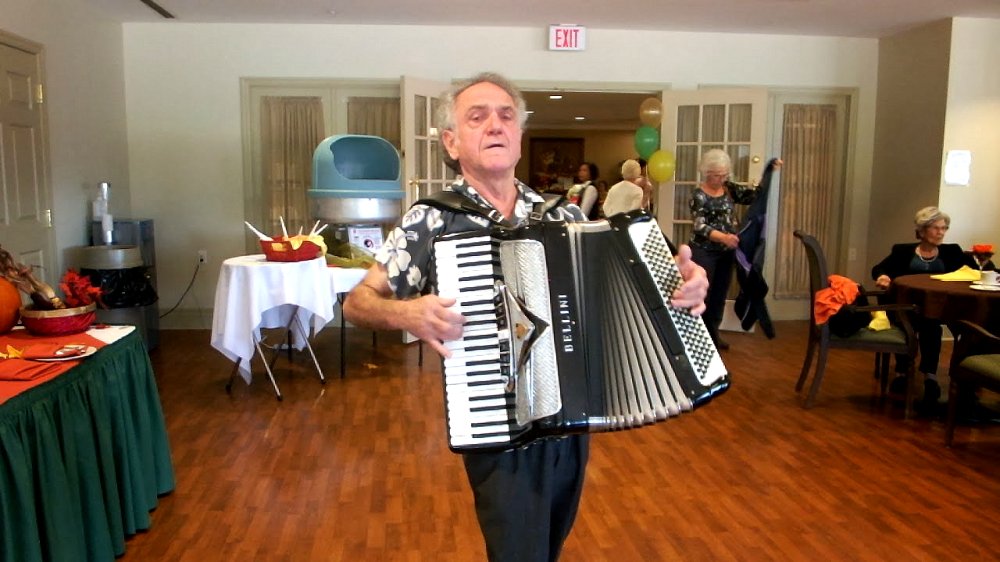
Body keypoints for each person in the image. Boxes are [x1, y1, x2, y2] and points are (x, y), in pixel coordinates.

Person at [342, 72, 709, 562]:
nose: (495, 125)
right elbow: (357, 303)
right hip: (497, 423)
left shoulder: (567, 217)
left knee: (550, 545)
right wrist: (408, 312)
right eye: (477, 117)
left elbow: (632, 298)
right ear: (451, 142)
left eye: (506, 115)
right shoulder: (432, 219)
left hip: (572, 419)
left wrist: (682, 287)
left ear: (519, 136)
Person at [871, 206, 977, 407]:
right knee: (907, 325)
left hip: (939, 309)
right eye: (936, 228)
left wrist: (980, 261)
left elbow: (975, 270)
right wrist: (883, 276)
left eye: (944, 228)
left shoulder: (952, 251)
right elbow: (879, 268)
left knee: (931, 328)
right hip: (906, 308)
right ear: (921, 230)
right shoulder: (902, 251)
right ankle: (902, 372)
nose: (941, 233)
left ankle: (930, 376)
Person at [688, 148, 757, 351]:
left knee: (719, 295)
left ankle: (713, 335)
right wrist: (724, 237)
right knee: (703, 295)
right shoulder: (698, 195)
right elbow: (699, 226)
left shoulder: (728, 188)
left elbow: (753, 197)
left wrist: (769, 174)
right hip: (704, 250)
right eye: (718, 175)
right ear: (707, 173)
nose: (722, 179)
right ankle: (698, 340)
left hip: (726, 252)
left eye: (725, 174)